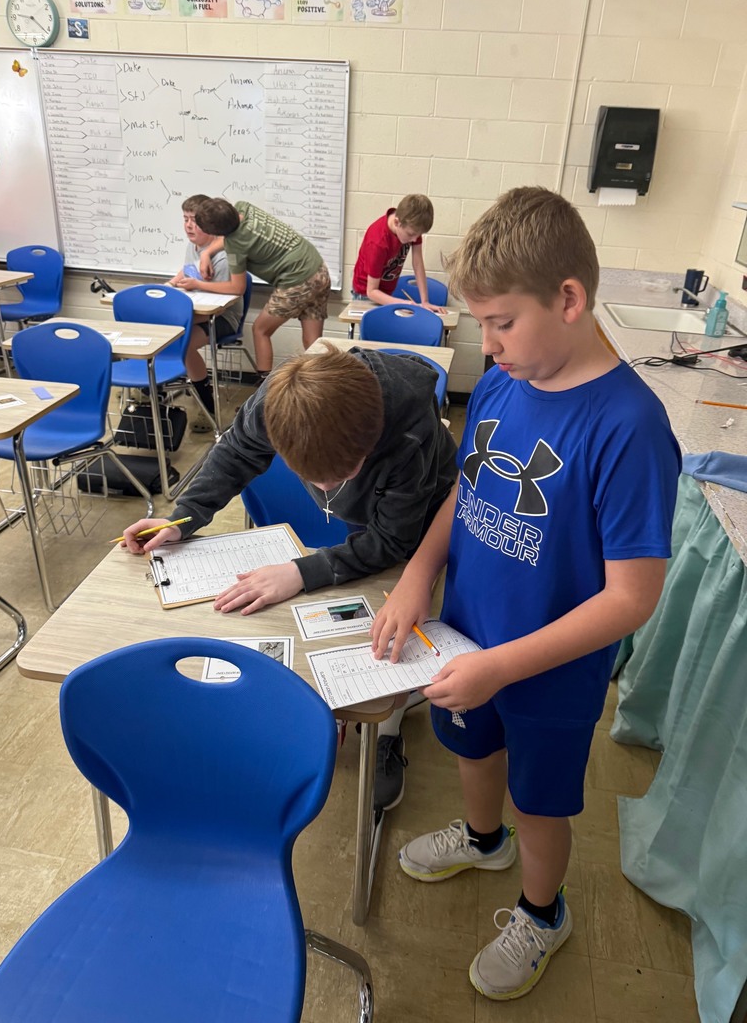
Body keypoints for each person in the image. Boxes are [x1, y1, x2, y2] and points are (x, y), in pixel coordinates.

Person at [370, 186, 681, 1002]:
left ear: (569, 299)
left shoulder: (630, 427)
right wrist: (416, 574)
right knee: (471, 749)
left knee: (540, 800)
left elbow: (632, 598)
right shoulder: (507, 383)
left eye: (501, 322)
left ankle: (542, 913)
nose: (489, 344)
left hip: (546, 665)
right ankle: (481, 838)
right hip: (468, 635)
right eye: (481, 325)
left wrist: (505, 665)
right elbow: (465, 495)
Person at [121, 343, 458, 811]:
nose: (323, 489)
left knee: (393, 631)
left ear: (371, 441)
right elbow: (235, 453)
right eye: (311, 477)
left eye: (341, 475)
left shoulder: (407, 431)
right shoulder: (278, 401)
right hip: (371, 512)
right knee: (343, 606)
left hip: (422, 514)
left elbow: (392, 543)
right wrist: (183, 519)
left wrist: (301, 573)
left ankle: (388, 733)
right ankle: (340, 706)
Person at [195, 197, 330, 378]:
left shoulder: (235, 247)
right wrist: (207, 252)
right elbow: (230, 237)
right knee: (313, 342)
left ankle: (264, 394)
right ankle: (323, 385)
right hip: (317, 268)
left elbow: (237, 288)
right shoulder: (245, 208)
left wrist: (198, 284)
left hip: (298, 281)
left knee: (260, 330)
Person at [167, 194, 245, 431]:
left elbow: (224, 300)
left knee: (185, 343)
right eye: (185, 219)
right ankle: (149, 392)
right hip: (194, 315)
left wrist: (183, 318)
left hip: (221, 318)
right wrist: (163, 290)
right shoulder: (193, 248)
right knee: (161, 332)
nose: (189, 225)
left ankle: (206, 405)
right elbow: (184, 273)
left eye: (194, 220)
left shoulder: (225, 254)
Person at [352, 194, 445, 311]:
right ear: (397, 222)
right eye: (411, 235)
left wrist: (425, 301)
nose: (415, 240)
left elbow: (417, 264)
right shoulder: (378, 242)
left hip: (386, 291)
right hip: (366, 294)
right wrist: (404, 303)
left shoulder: (411, 226)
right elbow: (371, 292)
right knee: (376, 328)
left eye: (418, 235)